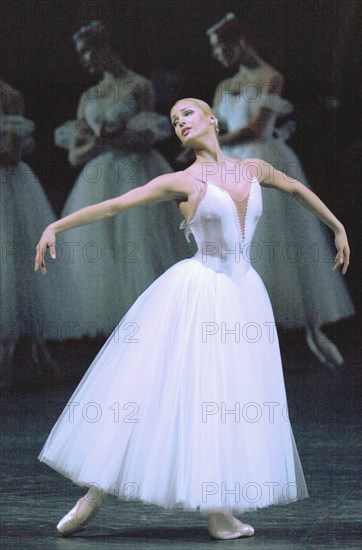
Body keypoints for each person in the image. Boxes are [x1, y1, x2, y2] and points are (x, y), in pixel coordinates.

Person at [35, 98, 349, 540]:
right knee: (152, 389)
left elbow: (296, 189)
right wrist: (56, 228)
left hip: (243, 296)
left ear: (211, 119)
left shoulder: (253, 168)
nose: (180, 122)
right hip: (200, 292)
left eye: (187, 113)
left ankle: (221, 514)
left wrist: (336, 225)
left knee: (231, 399)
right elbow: (116, 205)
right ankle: (94, 493)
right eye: (173, 120)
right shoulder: (182, 181)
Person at [207, 13, 354, 367]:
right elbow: (213, 126)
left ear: (241, 41)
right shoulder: (224, 87)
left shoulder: (271, 77)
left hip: (263, 163)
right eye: (214, 49)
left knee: (285, 245)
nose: (218, 54)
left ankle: (313, 329)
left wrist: (215, 145)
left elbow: (257, 128)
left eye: (223, 46)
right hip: (230, 167)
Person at [56, 21, 188, 337]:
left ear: (104, 48)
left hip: (137, 172)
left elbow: (148, 136)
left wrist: (114, 138)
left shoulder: (139, 86)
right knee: (103, 248)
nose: (84, 61)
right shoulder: (89, 95)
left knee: (140, 244)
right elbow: (75, 155)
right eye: (80, 55)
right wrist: (103, 142)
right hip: (99, 177)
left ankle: (152, 327)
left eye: (87, 52)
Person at [0, 80, 61, 387]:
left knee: (16, 268)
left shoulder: (10, 96)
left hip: (9, 186)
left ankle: (29, 350)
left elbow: (11, 151)